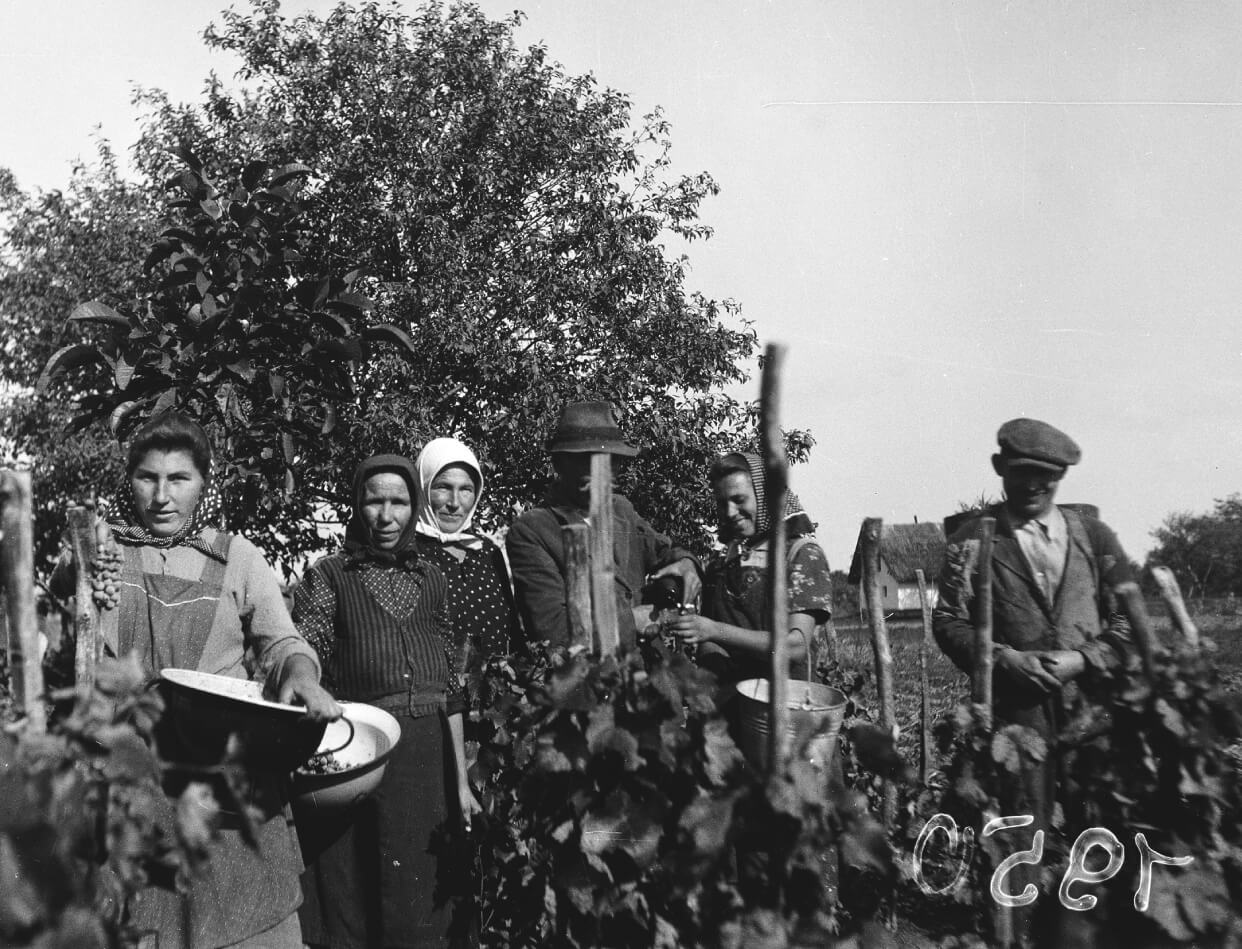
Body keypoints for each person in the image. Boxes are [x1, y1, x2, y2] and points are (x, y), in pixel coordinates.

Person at [49, 410, 340, 949]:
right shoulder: (107, 547)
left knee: (250, 924)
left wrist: (300, 674)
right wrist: (79, 559)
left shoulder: (237, 558)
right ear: (129, 480)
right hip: (133, 784)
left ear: (204, 483)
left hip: (222, 787)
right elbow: (67, 600)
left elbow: (281, 642)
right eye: (147, 478)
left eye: (179, 479)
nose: (162, 496)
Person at [932, 418, 1133, 947]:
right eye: (1023, 474)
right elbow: (949, 621)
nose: (1035, 487)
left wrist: (1084, 660)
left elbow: (1127, 622)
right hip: (1017, 719)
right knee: (1022, 837)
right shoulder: (971, 540)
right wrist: (1002, 659)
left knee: (1100, 832)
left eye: (1048, 477)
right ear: (1000, 469)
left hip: (1092, 713)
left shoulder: (1094, 536)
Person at [293, 454, 469, 949]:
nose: (386, 515)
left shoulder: (432, 578)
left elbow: (452, 686)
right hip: (365, 750)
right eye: (374, 501)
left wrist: (459, 781)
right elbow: (307, 646)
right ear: (357, 505)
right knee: (362, 895)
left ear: (414, 507)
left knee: (424, 900)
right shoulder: (330, 575)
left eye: (399, 502)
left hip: (428, 751)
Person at [506, 401, 701, 647]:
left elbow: (665, 550)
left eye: (609, 460)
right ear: (559, 464)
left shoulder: (621, 509)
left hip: (644, 671)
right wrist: (630, 621)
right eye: (585, 459)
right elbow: (552, 630)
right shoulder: (533, 530)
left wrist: (686, 563)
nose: (600, 469)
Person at [412, 437, 519, 824]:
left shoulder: (487, 551)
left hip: (494, 714)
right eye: (442, 487)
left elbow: (511, 630)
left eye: (465, 489)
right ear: (423, 488)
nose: (454, 502)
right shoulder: (408, 553)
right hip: (437, 713)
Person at [666, 451, 834, 687]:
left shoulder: (801, 555)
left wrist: (714, 631)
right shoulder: (725, 561)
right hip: (731, 707)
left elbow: (795, 646)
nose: (730, 512)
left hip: (782, 707)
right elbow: (711, 639)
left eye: (739, 500)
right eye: (722, 503)